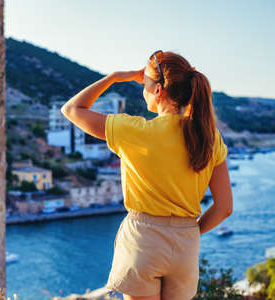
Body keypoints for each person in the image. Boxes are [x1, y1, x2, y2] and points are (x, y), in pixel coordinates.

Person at [60, 50, 233, 300]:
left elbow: (72, 108)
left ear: (159, 90)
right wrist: (190, 231)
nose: (143, 90)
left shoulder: (133, 131)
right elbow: (224, 208)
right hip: (185, 244)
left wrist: (113, 77)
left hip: (143, 240)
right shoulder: (209, 138)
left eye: (145, 84)